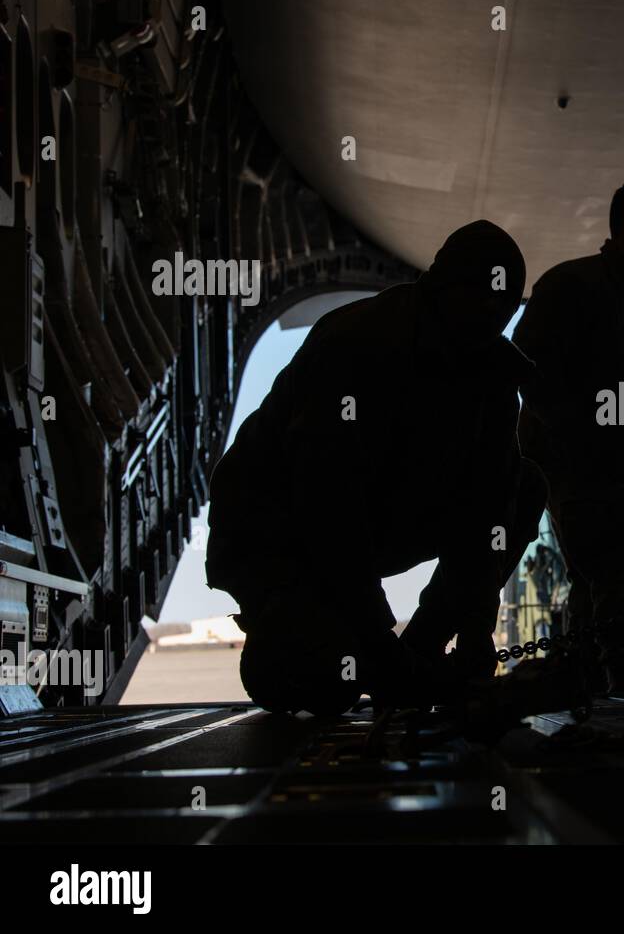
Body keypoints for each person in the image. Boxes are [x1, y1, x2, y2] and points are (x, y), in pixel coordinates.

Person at [205, 220, 547, 715]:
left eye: (504, 308)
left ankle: (421, 646)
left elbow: (487, 510)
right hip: (276, 535)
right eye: (482, 301)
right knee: (319, 677)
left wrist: (474, 633)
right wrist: (375, 639)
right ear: (441, 288)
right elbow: (327, 503)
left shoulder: (491, 380)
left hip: (374, 516)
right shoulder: (357, 344)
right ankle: (321, 635)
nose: (492, 318)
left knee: (525, 487)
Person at [512, 182, 624, 690]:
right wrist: (581, 443)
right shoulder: (570, 286)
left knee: (596, 584)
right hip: (573, 469)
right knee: (623, 577)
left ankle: (586, 687)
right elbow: (531, 372)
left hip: (615, 473)